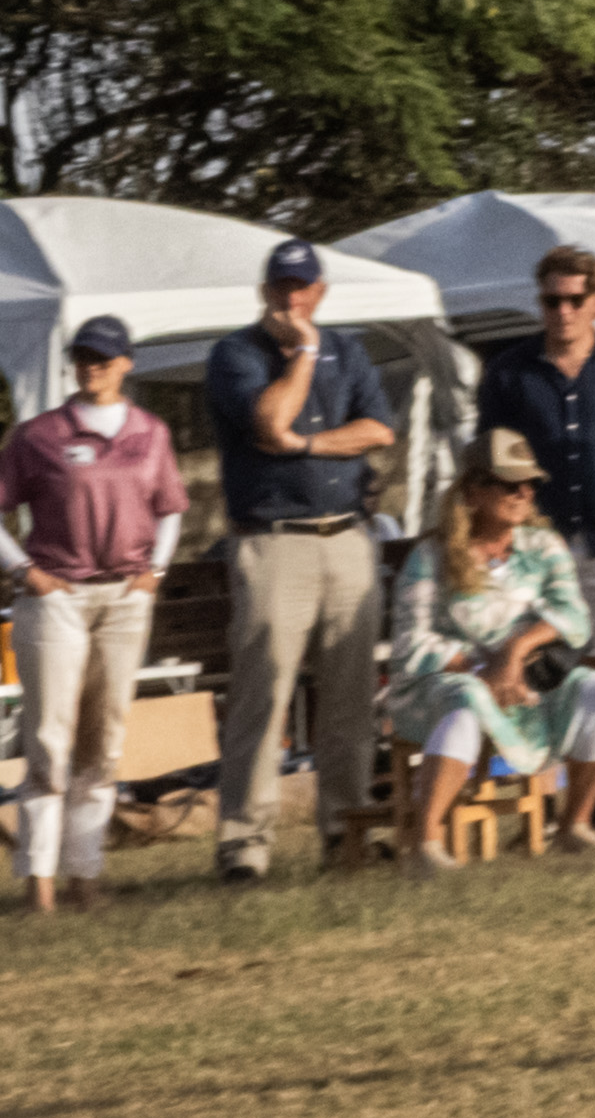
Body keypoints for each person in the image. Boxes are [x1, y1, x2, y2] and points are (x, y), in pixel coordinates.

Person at [202, 239, 397, 884]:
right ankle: (244, 846)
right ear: (265, 292)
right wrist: (304, 354)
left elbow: (380, 429)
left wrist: (309, 443)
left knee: (349, 695)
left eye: (302, 287)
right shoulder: (236, 354)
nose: (291, 298)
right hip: (274, 538)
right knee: (265, 691)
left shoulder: (353, 348)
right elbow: (268, 421)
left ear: (320, 292)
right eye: (281, 287)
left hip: (346, 537)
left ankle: (347, 827)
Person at [470, 243, 595, 840]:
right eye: (551, 300)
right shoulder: (510, 372)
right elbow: (487, 461)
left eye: (574, 299)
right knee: (543, 666)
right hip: (541, 541)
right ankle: (547, 801)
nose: (562, 311)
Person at [7, 319, 179, 915]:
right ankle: (41, 886)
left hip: (123, 599)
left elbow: (169, 508)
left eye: (104, 357)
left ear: (127, 362)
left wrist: (155, 570)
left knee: (103, 743)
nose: (92, 366)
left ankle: (87, 876)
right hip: (59, 595)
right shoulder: (39, 435)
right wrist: (25, 571)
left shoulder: (151, 433)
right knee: (50, 740)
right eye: (83, 357)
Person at [388, 471, 595, 872]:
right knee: (465, 698)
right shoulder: (432, 555)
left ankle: (576, 825)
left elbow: (575, 617)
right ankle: (425, 844)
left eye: (530, 484)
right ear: (474, 492)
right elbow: (410, 642)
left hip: (526, 683)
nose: (524, 493)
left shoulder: (543, 545)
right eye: (510, 484)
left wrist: (515, 651)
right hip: (440, 683)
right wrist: (481, 669)